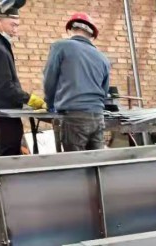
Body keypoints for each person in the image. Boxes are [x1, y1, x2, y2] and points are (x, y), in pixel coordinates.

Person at [0, 3, 46, 156]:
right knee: (9, 153)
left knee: (7, 150)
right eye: (13, 25)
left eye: (17, 25)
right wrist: (32, 100)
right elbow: (6, 87)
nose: (15, 30)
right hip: (4, 111)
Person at [43, 13, 110, 152]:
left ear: (70, 30)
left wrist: (50, 105)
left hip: (74, 117)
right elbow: (104, 91)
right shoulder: (103, 58)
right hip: (98, 117)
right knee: (98, 161)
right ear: (92, 36)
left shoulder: (61, 47)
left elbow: (50, 79)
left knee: (76, 162)